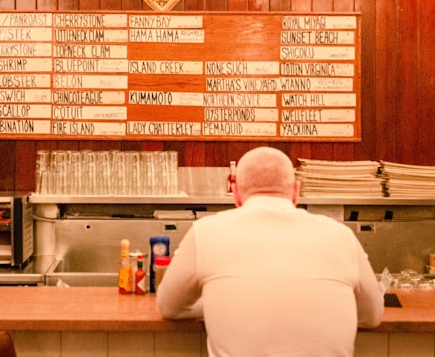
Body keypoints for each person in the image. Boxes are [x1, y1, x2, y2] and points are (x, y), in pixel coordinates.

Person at [156, 146, 384, 357]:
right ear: (296, 192)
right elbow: (372, 317)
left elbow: (169, 308)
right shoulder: (341, 235)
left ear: (235, 194)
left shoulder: (204, 232)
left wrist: (219, 300)